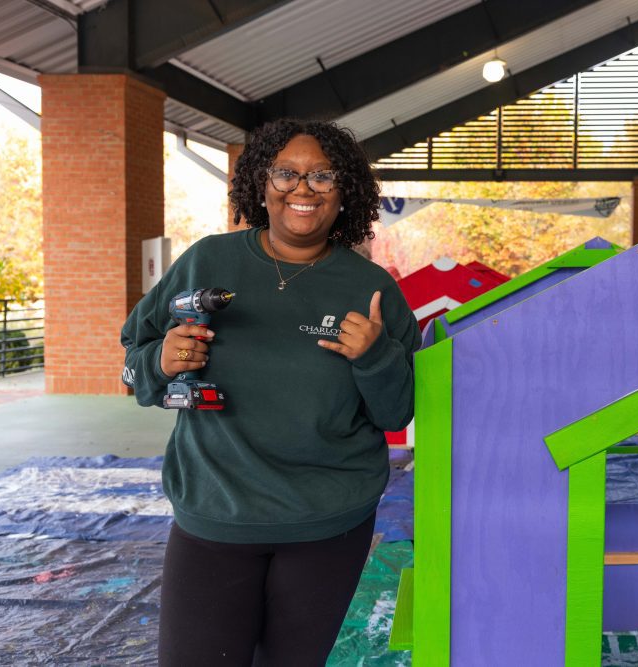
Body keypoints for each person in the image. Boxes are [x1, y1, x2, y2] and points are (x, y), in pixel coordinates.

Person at [120, 118, 421, 666]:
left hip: (327, 523)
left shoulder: (371, 290)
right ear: (262, 183)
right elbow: (133, 363)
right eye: (287, 173)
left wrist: (375, 357)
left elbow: (397, 412)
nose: (303, 189)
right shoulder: (207, 261)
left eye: (323, 176)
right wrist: (159, 361)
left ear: (345, 191)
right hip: (216, 512)